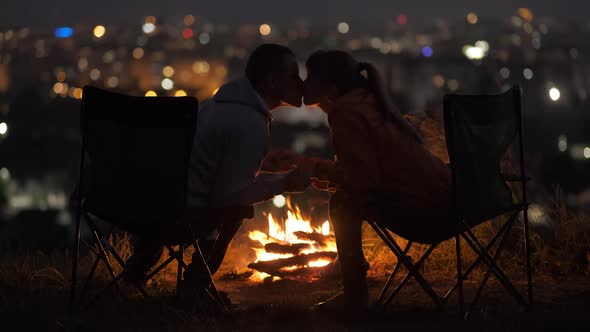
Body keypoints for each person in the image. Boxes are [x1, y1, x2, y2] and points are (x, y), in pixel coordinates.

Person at [126, 44, 310, 298]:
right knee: (236, 210)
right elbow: (229, 196)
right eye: (294, 75)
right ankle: (195, 285)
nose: (301, 83)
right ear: (271, 82)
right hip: (180, 217)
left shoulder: (219, 105)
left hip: (142, 207)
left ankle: (136, 270)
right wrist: (285, 182)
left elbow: (207, 165)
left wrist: (263, 164)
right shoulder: (249, 122)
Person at [300, 50, 457, 311]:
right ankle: (349, 269)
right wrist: (328, 172)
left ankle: (355, 296)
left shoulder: (346, 114)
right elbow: (369, 168)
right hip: (450, 197)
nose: (303, 84)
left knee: (342, 204)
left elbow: (365, 180)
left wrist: (318, 170)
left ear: (330, 87)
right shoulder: (367, 101)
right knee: (345, 197)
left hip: (426, 211)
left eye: (309, 78)